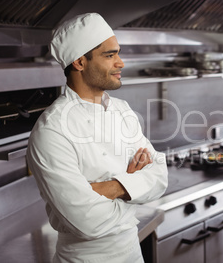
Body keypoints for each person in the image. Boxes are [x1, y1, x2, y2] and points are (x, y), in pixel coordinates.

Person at [26, 13, 168, 263]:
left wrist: (109, 188)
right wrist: (133, 185)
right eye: (110, 55)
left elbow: (160, 177)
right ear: (80, 62)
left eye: (118, 53)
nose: (121, 62)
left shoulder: (122, 110)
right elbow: (86, 222)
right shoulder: (52, 130)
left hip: (132, 253)